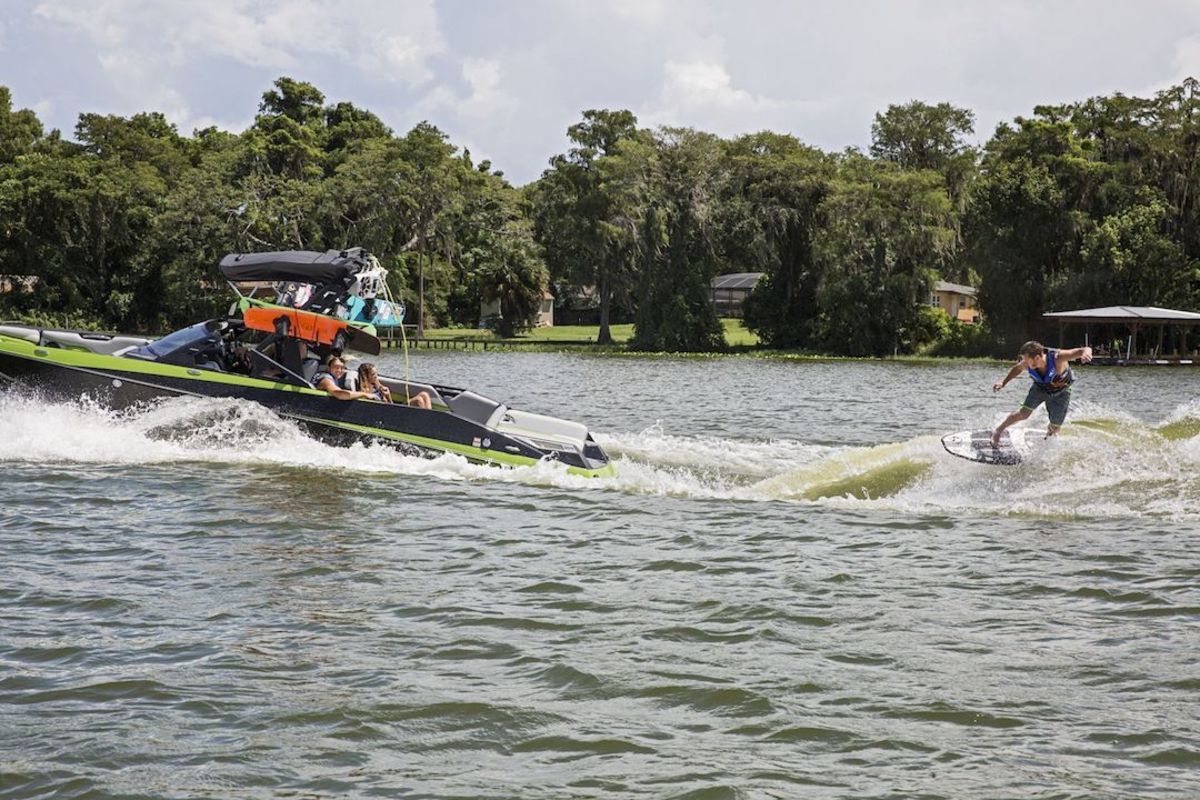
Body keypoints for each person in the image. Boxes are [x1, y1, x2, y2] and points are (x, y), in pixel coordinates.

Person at [991, 340, 1093, 445]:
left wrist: (1086, 353)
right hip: (1040, 388)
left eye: (1027, 360)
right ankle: (998, 430)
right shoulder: (1027, 363)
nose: (1025, 363)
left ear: (1037, 358)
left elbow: (1083, 350)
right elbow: (1017, 369)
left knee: (1055, 426)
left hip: (1061, 393)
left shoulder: (1058, 358)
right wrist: (1003, 382)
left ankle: (1046, 443)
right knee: (1024, 413)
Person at [358, 361, 433, 409]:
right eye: (373, 374)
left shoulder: (376, 384)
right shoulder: (365, 392)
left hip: (392, 408)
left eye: (376, 373)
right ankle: (426, 422)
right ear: (366, 376)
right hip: (389, 413)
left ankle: (430, 418)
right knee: (418, 400)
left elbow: (390, 403)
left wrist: (388, 395)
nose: (376, 376)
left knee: (424, 394)